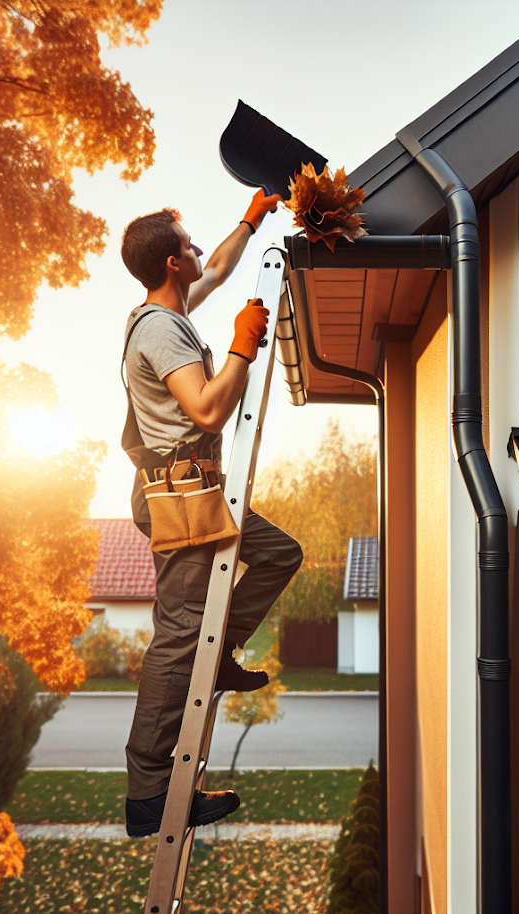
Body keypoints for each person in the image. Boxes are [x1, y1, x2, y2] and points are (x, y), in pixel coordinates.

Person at [117, 190, 303, 838]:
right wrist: (241, 351)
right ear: (172, 263)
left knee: (281, 553)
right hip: (181, 497)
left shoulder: (167, 310)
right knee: (176, 640)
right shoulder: (163, 330)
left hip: (195, 488)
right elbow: (206, 410)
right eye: (189, 244)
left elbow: (219, 267)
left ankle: (218, 651)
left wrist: (252, 218)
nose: (201, 251)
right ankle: (148, 794)